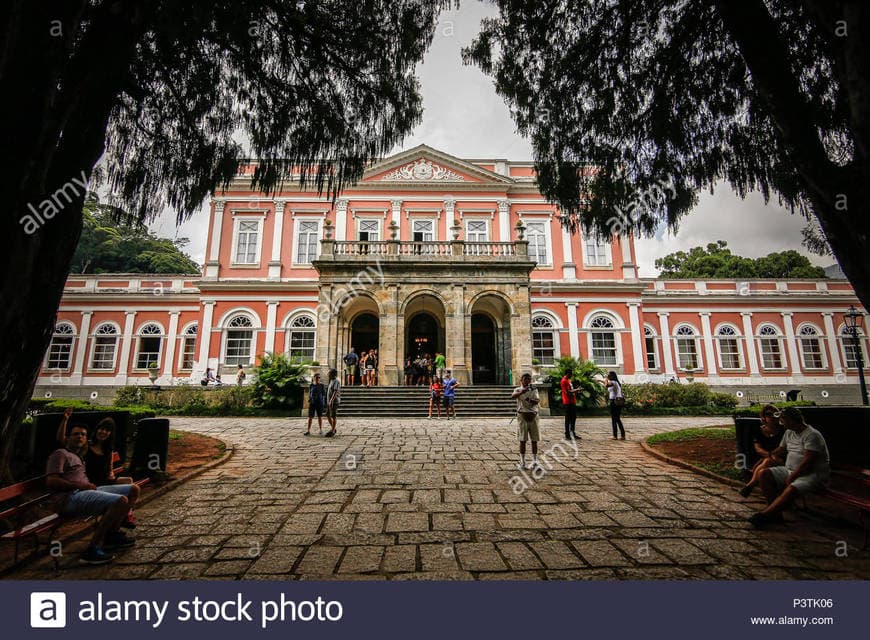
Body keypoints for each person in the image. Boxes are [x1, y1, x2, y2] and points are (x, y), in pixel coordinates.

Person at [46, 422, 136, 565]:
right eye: (76, 434)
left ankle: (111, 535)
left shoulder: (79, 455)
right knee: (120, 501)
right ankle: (92, 548)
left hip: (85, 491)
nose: (80, 437)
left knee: (133, 489)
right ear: (67, 437)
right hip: (70, 498)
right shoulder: (60, 454)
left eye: (83, 434)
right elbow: (51, 481)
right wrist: (80, 486)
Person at [748, 407, 830, 528]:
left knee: (792, 488)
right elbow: (780, 450)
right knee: (764, 474)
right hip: (789, 469)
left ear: (792, 420)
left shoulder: (812, 435)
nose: (782, 424)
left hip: (811, 474)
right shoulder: (789, 433)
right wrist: (769, 456)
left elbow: (809, 460)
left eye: (783, 420)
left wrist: (793, 475)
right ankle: (776, 513)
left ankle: (765, 515)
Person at [55, 411, 138, 528]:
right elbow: (61, 440)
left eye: (107, 430)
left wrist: (111, 474)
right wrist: (65, 420)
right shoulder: (86, 445)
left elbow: (110, 469)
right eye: (101, 429)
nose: (103, 432)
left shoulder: (107, 449)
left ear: (110, 434)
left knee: (129, 481)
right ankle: (121, 518)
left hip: (104, 480)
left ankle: (126, 516)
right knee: (128, 491)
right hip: (93, 482)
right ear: (97, 429)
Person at [738, 404, 785, 497]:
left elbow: (784, 447)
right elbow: (758, 449)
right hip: (765, 457)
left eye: (774, 414)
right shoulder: (759, 431)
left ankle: (749, 486)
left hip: (781, 457)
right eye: (768, 414)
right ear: (763, 417)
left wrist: (772, 455)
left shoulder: (783, 430)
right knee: (767, 462)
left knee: (767, 461)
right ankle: (750, 487)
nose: (771, 416)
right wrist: (770, 455)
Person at [511, 373, 541, 471]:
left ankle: (535, 461)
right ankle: (522, 462)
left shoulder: (534, 389)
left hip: (533, 415)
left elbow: (537, 401)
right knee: (522, 439)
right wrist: (522, 392)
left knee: (534, 440)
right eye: (525, 379)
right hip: (522, 416)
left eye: (529, 379)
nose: (527, 381)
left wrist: (529, 399)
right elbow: (513, 396)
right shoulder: (518, 389)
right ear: (521, 380)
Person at [605, 371, 626, 440]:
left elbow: (606, 385)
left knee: (614, 419)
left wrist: (605, 380)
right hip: (617, 401)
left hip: (614, 402)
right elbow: (607, 385)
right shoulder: (616, 382)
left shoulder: (613, 382)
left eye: (608, 375)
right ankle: (622, 435)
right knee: (617, 419)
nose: (607, 376)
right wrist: (602, 381)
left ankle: (615, 436)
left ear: (611, 376)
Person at [560, 371, 579, 440]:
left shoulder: (568, 380)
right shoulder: (564, 381)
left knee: (573, 418)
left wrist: (576, 391)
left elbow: (571, 390)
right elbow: (567, 392)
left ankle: (572, 433)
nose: (572, 375)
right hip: (567, 402)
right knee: (568, 418)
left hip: (572, 401)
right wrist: (577, 390)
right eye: (571, 374)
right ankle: (567, 434)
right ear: (568, 374)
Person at [325, 368, 341, 437]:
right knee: (327, 414)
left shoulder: (336, 381)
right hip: (329, 401)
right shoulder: (331, 380)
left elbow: (335, 391)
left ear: (332, 374)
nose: (328, 374)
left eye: (329, 373)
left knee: (333, 416)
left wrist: (331, 400)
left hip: (334, 402)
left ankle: (333, 430)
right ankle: (333, 429)